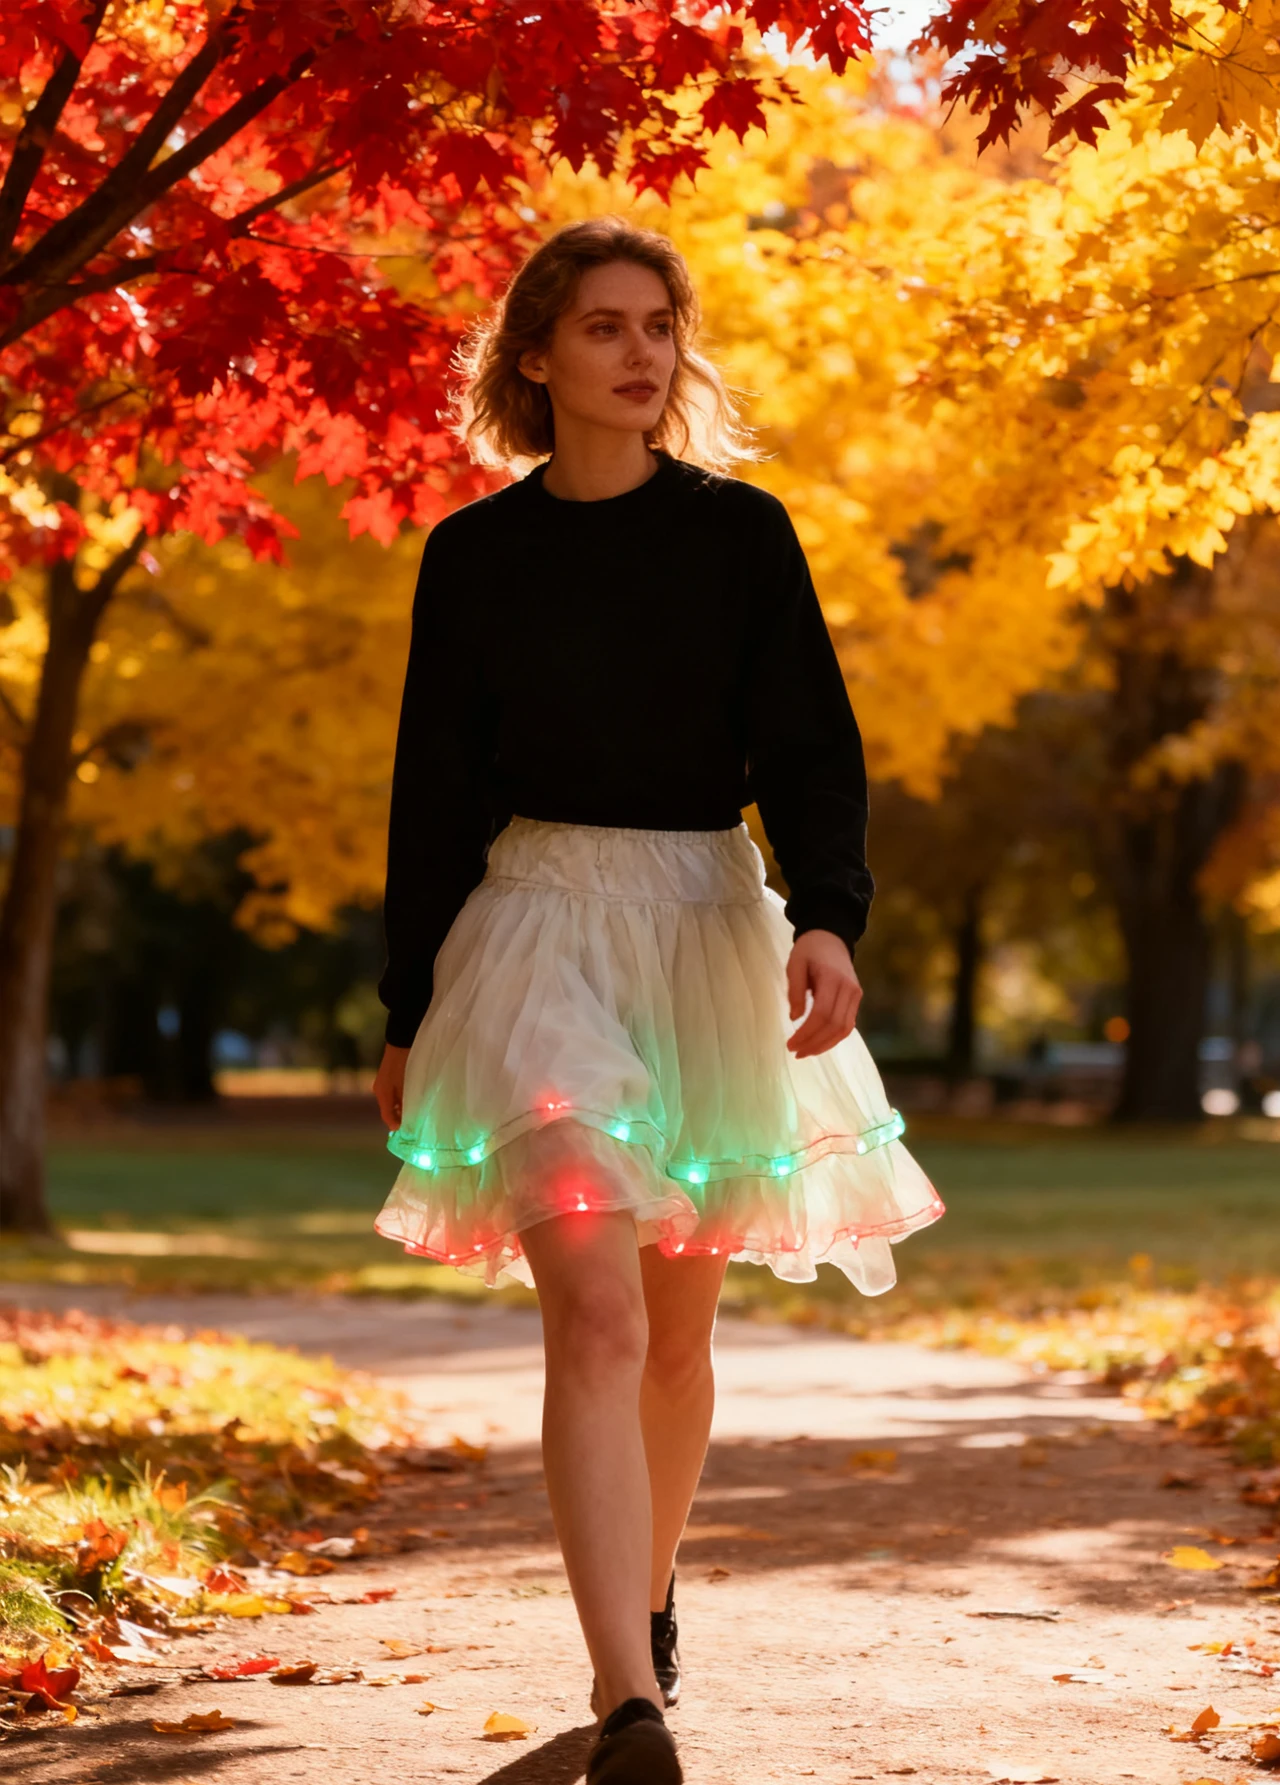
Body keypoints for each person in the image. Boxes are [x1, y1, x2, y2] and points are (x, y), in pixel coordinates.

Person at [371, 216, 944, 1785]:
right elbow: (432, 791)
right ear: (537, 356)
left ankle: (648, 1595)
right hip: (536, 935)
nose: (641, 354)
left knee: (676, 1336)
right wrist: (407, 1007)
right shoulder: (474, 556)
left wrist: (828, 919)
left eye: (659, 326)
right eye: (605, 327)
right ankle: (629, 1701)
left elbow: (812, 746)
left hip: (705, 930)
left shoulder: (740, 536)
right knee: (599, 1307)